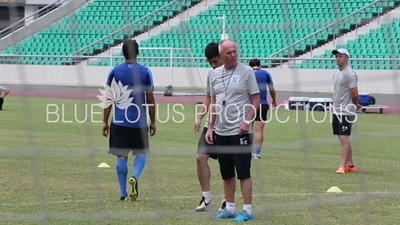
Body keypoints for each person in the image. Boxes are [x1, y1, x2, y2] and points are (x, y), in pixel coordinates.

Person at [205, 39, 260, 222]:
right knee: (226, 172)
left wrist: (246, 122)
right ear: (221, 55)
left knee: (243, 171)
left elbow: (256, 100)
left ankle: (247, 210)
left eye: (234, 51)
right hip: (221, 131)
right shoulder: (214, 74)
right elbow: (214, 102)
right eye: (228, 53)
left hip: (240, 132)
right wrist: (210, 127)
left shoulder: (247, 72)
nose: (233, 55)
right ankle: (229, 208)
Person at [101, 39, 156, 201]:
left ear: (123, 53)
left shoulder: (114, 71)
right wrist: (153, 121)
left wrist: (104, 121)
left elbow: (108, 98)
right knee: (141, 153)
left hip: (119, 121)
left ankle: (123, 192)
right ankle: (135, 176)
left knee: (121, 156)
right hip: (139, 122)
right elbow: (151, 99)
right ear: (137, 52)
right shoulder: (146, 72)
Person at [193, 42, 226, 212]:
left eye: (215, 61)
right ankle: (207, 197)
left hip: (228, 126)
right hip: (210, 125)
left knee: (227, 163)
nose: (213, 65)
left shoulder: (236, 72)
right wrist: (200, 117)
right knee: (200, 157)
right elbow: (208, 97)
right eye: (210, 62)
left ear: (222, 56)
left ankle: (228, 200)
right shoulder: (211, 74)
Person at [331, 48, 360, 174]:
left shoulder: (349, 74)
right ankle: (350, 165)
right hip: (337, 110)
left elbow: (354, 94)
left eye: (340, 56)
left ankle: (342, 166)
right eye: (336, 56)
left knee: (344, 137)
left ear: (346, 58)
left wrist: (354, 105)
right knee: (342, 138)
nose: (337, 58)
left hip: (346, 111)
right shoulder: (337, 73)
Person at [248, 59, 277, 159]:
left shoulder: (247, 72)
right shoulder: (265, 73)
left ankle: (248, 152)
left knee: (248, 129)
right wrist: (274, 100)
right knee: (259, 130)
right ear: (259, 65)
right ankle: (257, 153)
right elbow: (272, 90)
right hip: (262, 103)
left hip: (249, 104)